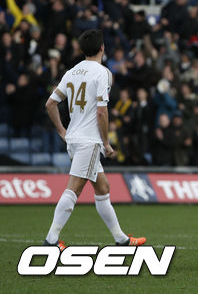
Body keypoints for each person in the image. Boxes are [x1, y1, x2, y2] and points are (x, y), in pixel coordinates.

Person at [43, 29, 146, 249]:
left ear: (82, 49)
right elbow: (101, 111)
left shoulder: (71, 72)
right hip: (89, 141)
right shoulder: (103, 73)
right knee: (74, 189)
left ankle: (121, 239)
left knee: (103, 188)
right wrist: (106, 143)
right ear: (102, 48)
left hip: (74, 139)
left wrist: (62, 130)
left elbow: (50, 104)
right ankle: (51, 240)